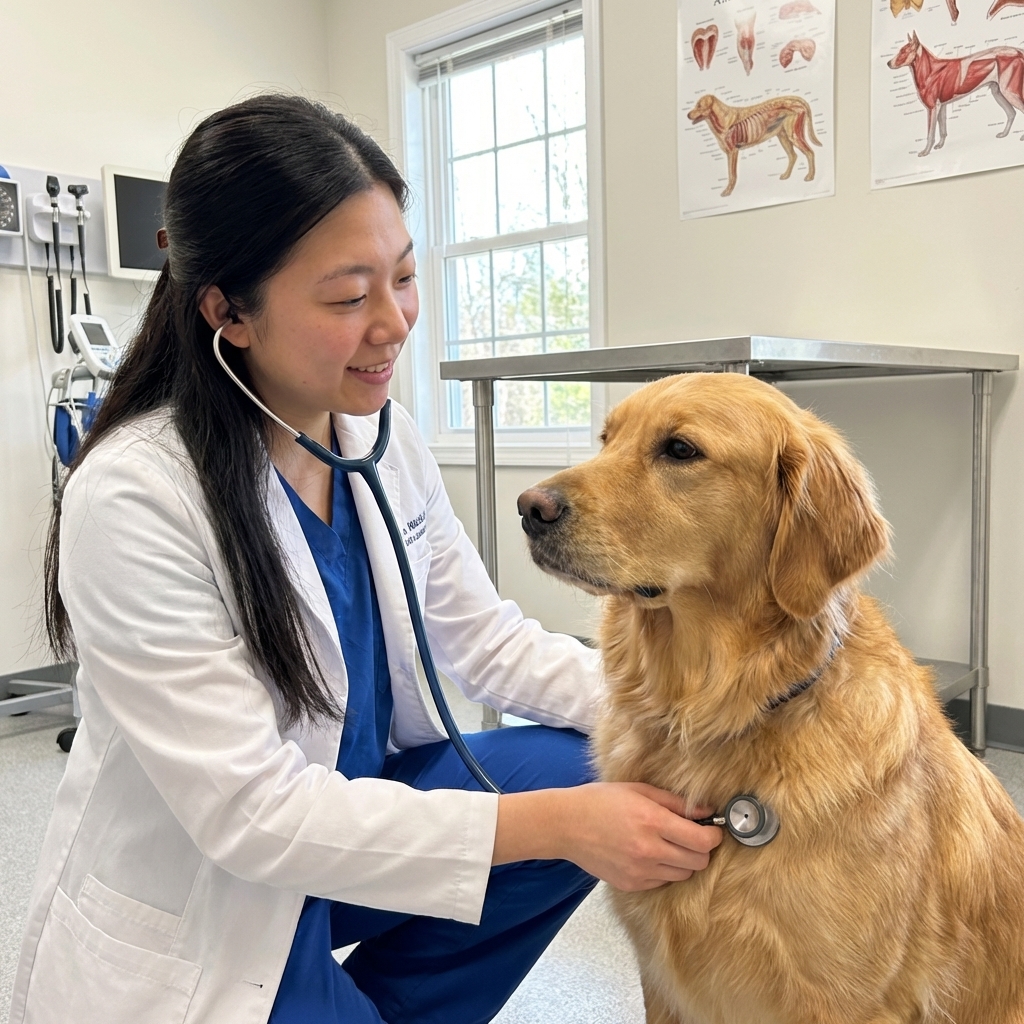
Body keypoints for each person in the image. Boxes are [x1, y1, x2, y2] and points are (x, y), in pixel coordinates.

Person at [10, 95, 721, 1024]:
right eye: (348, 296)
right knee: (566, 810)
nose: (394, 323)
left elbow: (488, 643)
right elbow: (253, 816)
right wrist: (563, 829)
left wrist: (698, 721)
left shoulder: (379, 437)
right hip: (216, 886)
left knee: (587, 764)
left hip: (352, 819)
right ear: (230, 311)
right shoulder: (137, 496)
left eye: (405, 277)